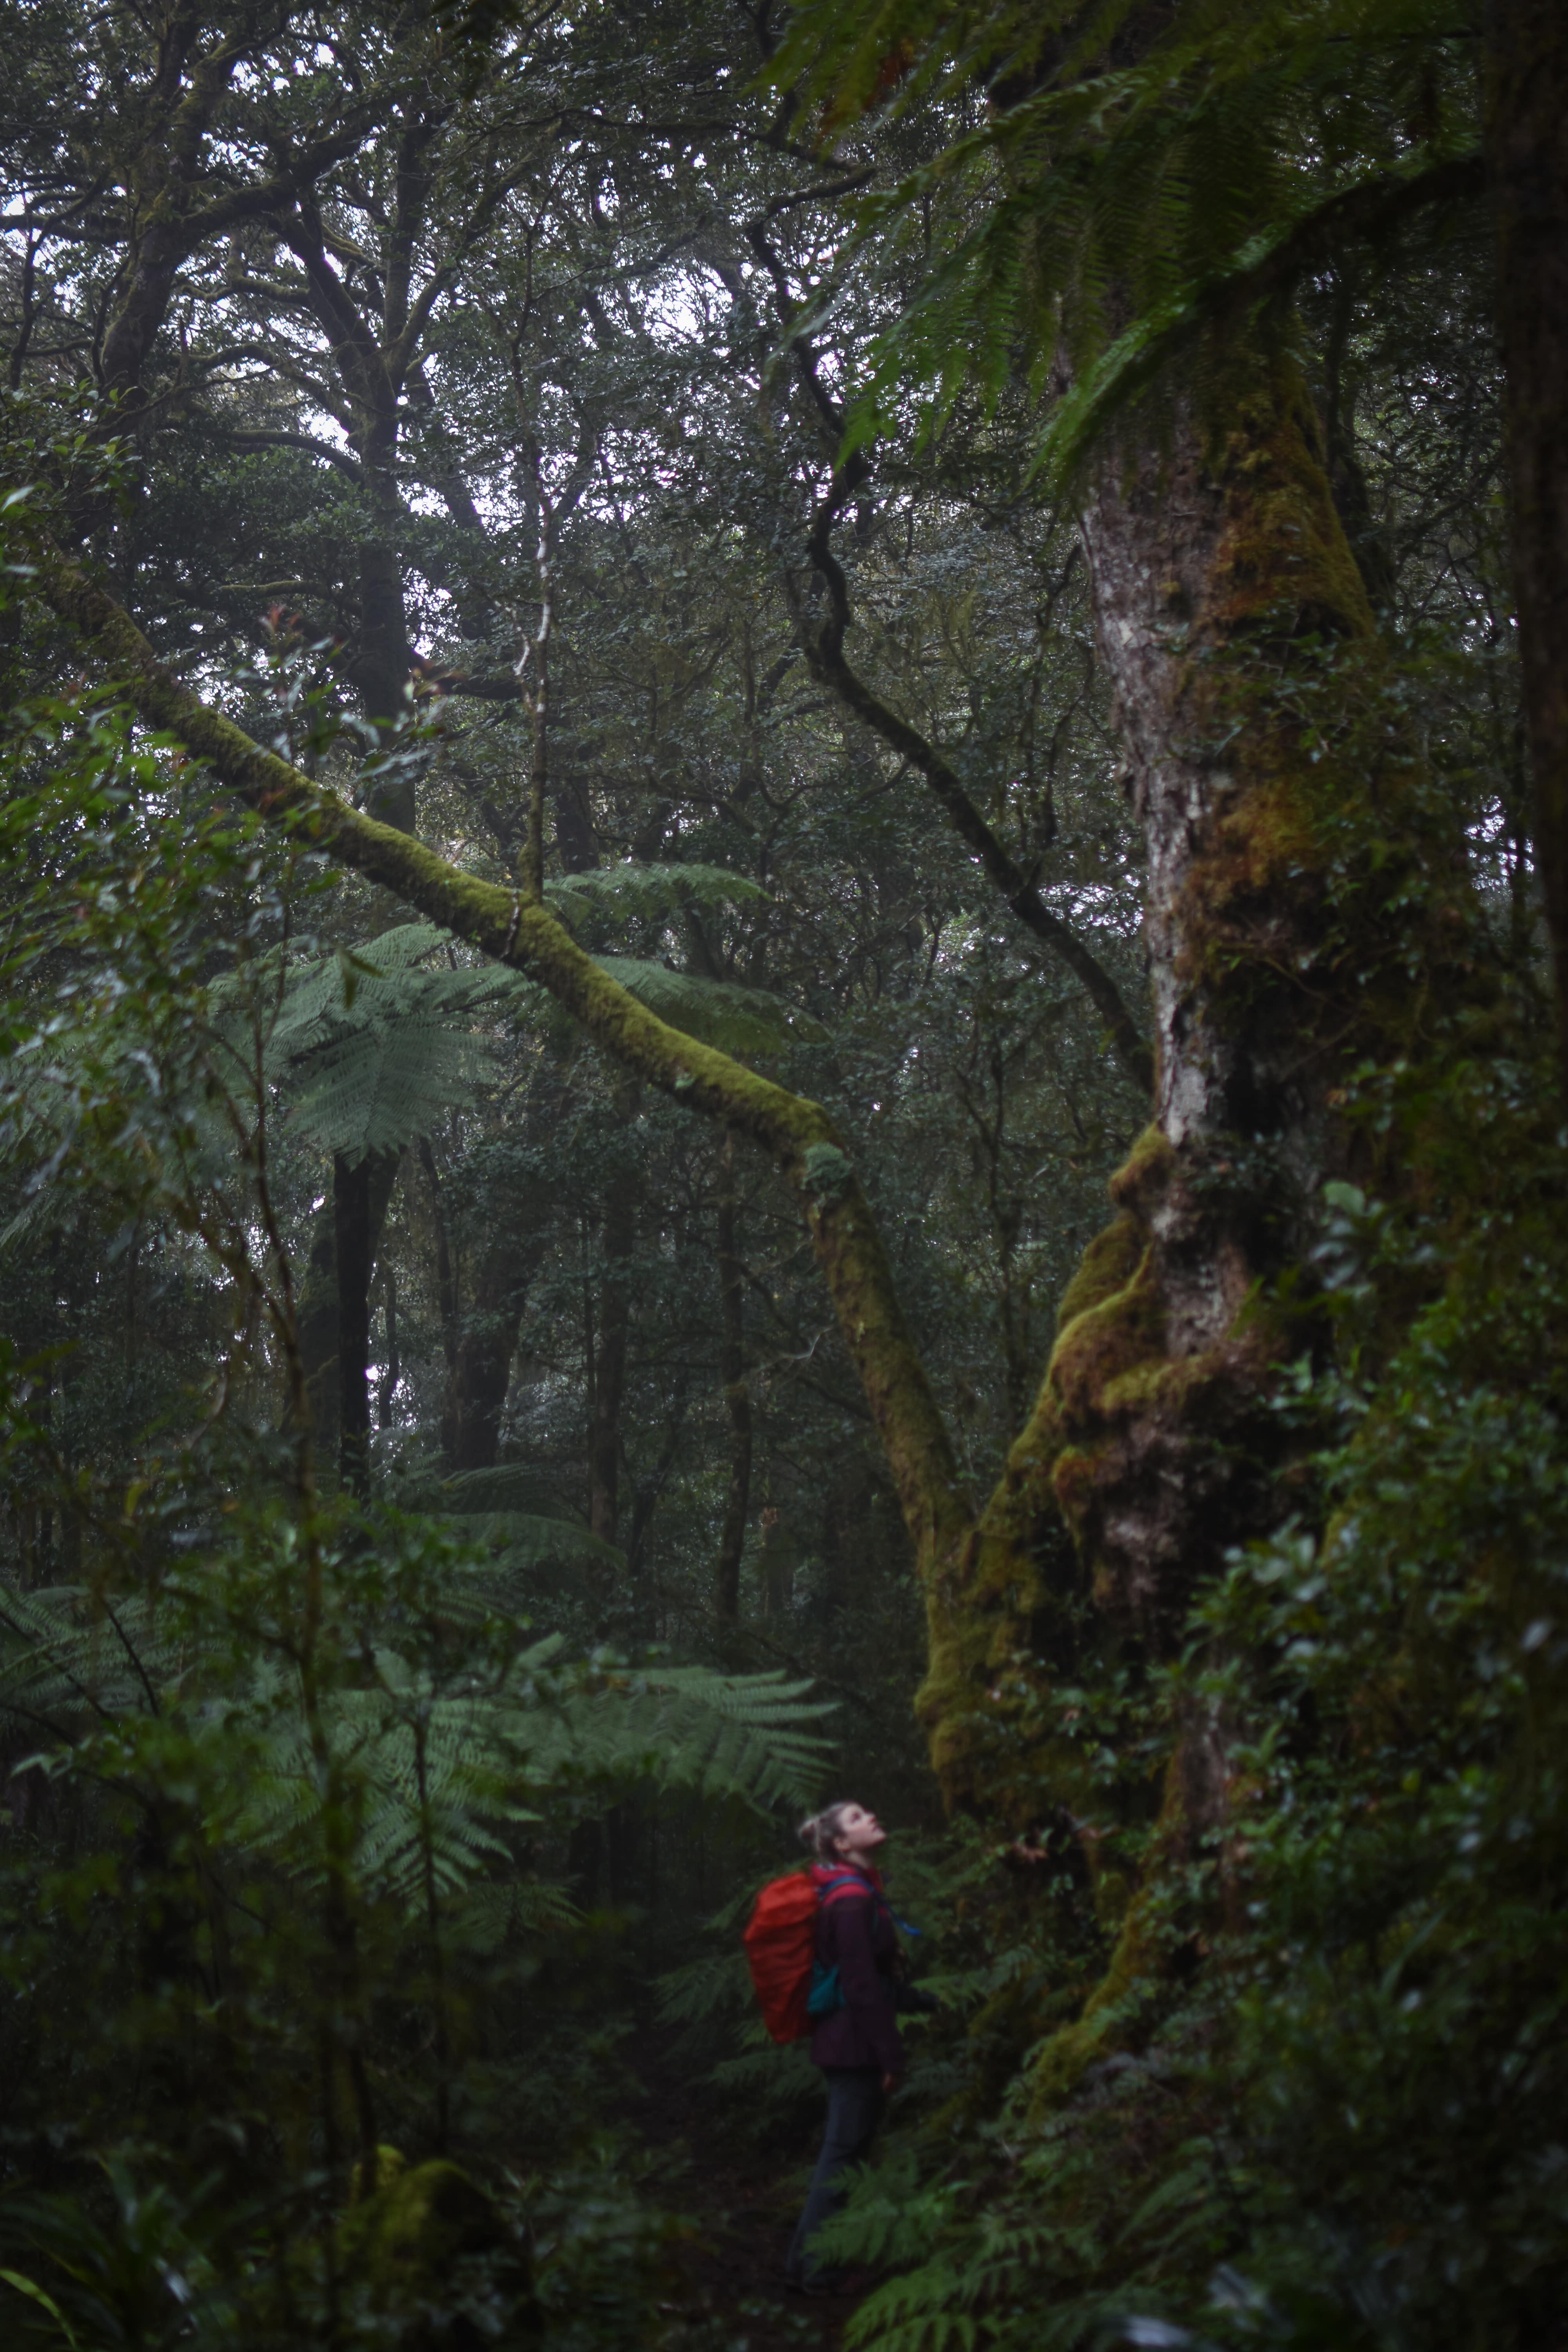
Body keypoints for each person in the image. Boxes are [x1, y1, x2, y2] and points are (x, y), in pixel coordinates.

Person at [785, 1800, 907, 2294]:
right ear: (840, 1844)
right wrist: (890, 2055)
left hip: (847, 2042)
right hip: (853, 2047)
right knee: (842, 2157)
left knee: (844, 2154)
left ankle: (805, 2262)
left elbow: (870, 1978)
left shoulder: (853, 1894)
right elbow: (859, 1987)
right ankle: (816, 2270)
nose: (872, 1817)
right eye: (857, 1818)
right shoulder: (851, 1900)